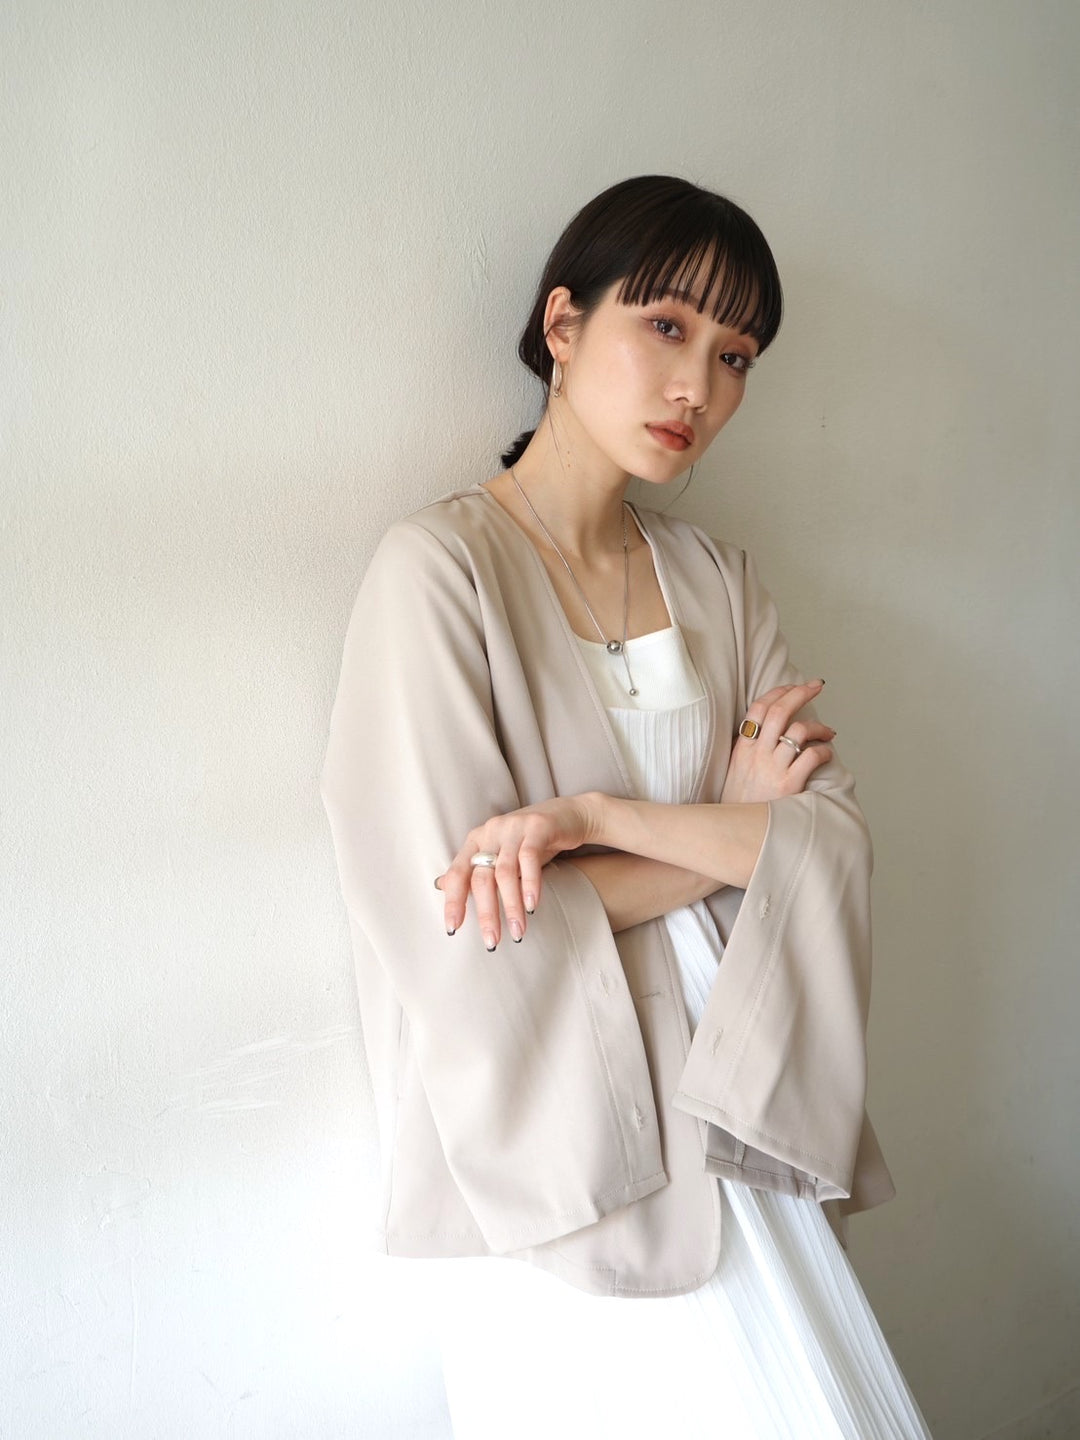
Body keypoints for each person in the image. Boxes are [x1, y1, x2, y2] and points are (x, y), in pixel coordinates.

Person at [321, 175, 932, 1438]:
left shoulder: (720, 580)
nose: (697, 386)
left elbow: (829, 843)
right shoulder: (438, 574)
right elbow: (463, 918)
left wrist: (594, 819)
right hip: (560, 1118)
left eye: (736, 355)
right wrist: (731, 835)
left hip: (737, 1091)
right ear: (562, 324)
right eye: (664, 326)